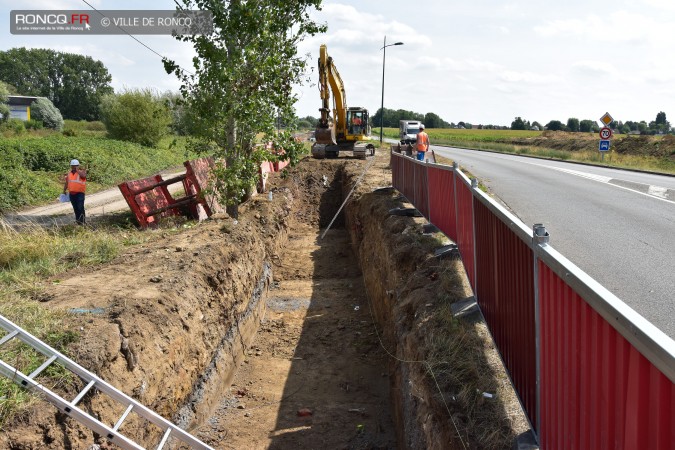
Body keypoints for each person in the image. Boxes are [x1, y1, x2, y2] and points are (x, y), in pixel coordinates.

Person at [63, 159, 87, 225]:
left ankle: (83, 222)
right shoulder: (69, 174)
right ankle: (78, 221)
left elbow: (83, 176)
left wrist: (77, 170)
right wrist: (64, 190)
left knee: (80, 207)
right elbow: (67, 183)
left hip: (80, 193)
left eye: (75, 166)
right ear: (71, 166)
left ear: (78, 166)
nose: (74, 167)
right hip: (72, 194)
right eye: (73, 166)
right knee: (75, 208)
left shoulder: (82, 172)